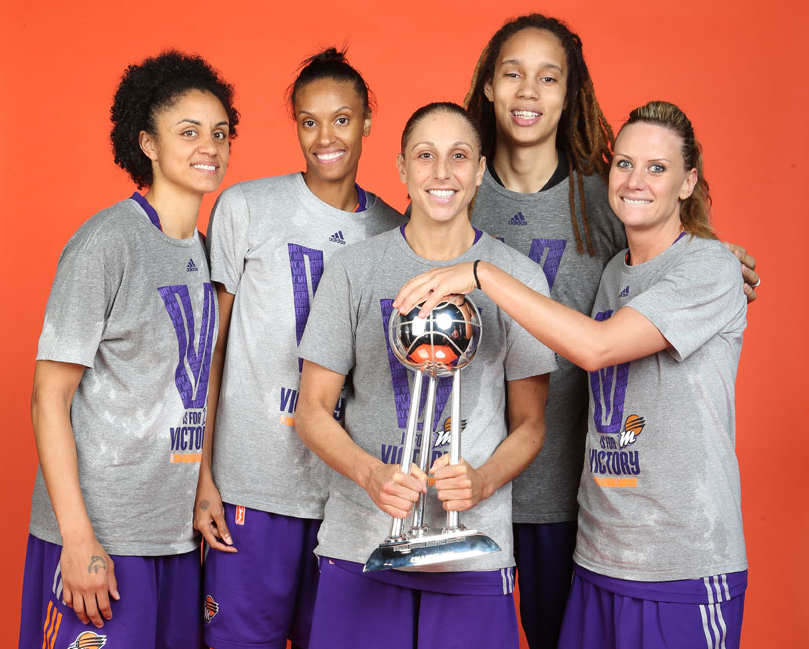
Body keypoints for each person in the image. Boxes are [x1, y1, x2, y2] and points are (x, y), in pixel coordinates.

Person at [396, 100, 748, 649]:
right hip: (598, 555)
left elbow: (597, 347)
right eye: (625, 164)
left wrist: (481, 273)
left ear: (688, 183)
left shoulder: (710, 267)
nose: (636, 180)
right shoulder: (613, 272)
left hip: (680, 561)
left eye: (658, 168)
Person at [462, 14, 760, 647]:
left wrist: (715, 257)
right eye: (512, 73)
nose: (528, 91)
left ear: (570, 94)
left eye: (549, 77)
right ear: (488, 84)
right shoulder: (455, 189)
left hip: (593, 506)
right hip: (486, 488)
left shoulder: (608, 202)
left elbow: (646, 285)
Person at [295, 102, 556, 649]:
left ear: (481, 170)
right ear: (401, 168)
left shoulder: (518, 278)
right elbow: (311, 409)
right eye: (425, 156)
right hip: (360, 546)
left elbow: (530, 422)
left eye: (458, 157)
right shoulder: (353, 270)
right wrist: (369, 474)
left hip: (473, 553)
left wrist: (482, 480)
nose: (442, 173)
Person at [18, 51, 237, 649]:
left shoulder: (205, 250)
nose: (209, 147)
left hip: (170, 534)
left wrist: (204, 480)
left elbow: (196, 376)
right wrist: (78, 538)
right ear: (147, 142)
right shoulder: (106, 243)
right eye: (188, 132)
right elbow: (48, 397)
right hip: (99, 538)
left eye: (219, 133)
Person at [195, 48, 403, 649]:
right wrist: (203, 475)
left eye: (341, 118)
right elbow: (210, 350)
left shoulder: (394, 231)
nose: (325, 137)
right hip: (251, 488)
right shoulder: (246, 208)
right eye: (309, 121)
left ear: (367, 122)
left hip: (348, 498)